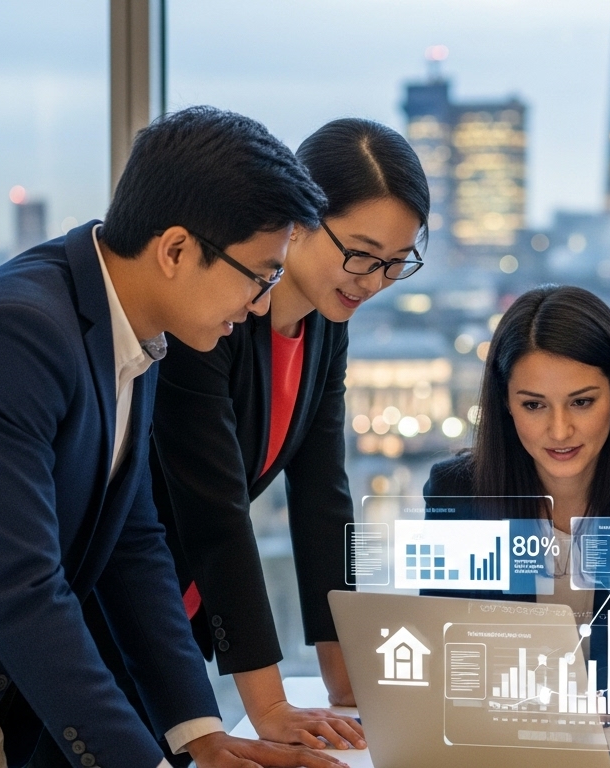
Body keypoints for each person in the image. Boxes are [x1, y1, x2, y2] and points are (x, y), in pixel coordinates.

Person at [0, 106, 344, 768]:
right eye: (260, 275)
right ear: (175, 249)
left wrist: (197, 731)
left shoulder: (130, 332)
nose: (261, 304)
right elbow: (24, 587)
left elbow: (131, 543)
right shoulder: (12, 335)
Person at [144, 118, 428, 753]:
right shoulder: (212, 315)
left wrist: (346, 687)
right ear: (299, 218)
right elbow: (215, 509)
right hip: (125, 591)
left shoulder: (326, 324)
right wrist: (270, 706)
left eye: (393, 263)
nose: (372, 280)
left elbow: (323, 495)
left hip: (186, 605)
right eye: (358, 252)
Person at [423, 284, 610, 684]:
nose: (560, 431)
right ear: (505, 402)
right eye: (534, 405)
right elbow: (450, 655)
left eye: (581, 402)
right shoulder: (455, 492)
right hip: (501, 736)